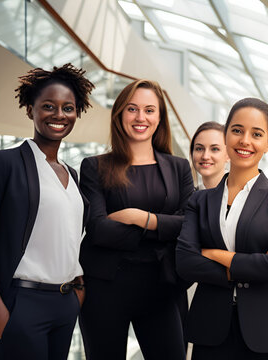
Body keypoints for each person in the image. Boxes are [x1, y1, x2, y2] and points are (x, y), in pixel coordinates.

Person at [0, 64, 94, 359]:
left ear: (77, 112)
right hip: (21, 305)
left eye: (68, 108)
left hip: (65, 303)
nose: (59, 115)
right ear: (30, 110)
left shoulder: (71, 175)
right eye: (48, 106)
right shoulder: (2, 164)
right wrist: (0, 315)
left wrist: (78, 292)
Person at [176, 98, 268, 359]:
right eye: (237, 130)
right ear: (225, 136)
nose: (245, 140)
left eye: (256, 134)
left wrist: (215, 254)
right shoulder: (199, 200)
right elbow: (186, 262)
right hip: (210, 330)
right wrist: (257, 265)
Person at [78, 79, 193, 360]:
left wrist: (139, 218)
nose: (141, 117)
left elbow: (190, 225)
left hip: (161, 287)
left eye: (149, 110)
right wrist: (164, 226)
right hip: (105, 288)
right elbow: (97, 230)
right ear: (119, 114)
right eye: (132, 109)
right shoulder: (95, 167)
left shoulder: (178, 167)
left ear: (159, 117)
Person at [190, 121, 228, 190]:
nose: (205, 156)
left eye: (215, 149)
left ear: (228, 155)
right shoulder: (188, 197)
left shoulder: (244, 196)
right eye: (199, 149)